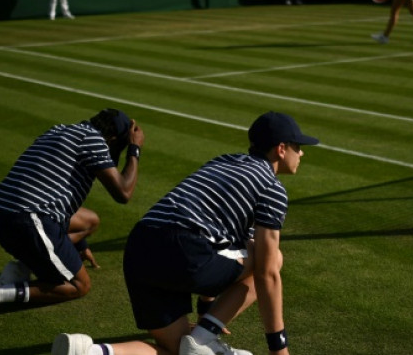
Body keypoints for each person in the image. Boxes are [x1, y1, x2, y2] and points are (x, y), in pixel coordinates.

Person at [52, 111, 319, 355]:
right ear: (281, 149)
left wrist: (207, 311)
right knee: (272, 258)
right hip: (183, 247)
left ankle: (89, 351)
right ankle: (202, 339)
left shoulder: (224, 161)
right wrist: (278, 348)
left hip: (140, 246)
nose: (302, 153)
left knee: (178, 351)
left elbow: (220, 236)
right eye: (298, 147)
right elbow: (267, 272)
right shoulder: (271, 188)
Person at [0, 109, 144, 335]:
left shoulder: (59, 129)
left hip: (0, 214)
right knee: (79, 285)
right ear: (111, 139)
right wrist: (134, 148)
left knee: (90, 221)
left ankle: (24, 265)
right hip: (27, 219)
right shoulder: (95, 140)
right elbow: (123, 192)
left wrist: (77, 247)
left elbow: (55, 193)